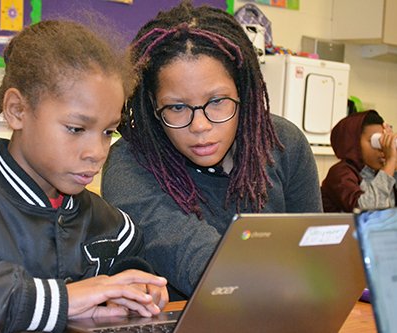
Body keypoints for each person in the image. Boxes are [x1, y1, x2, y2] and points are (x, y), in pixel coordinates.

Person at [0, 20, 169, 332]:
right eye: (76, 128)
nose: (97, 151)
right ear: (17, 110)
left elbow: (128, 268)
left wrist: (136, 290)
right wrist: (56, 300)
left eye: (108, 131)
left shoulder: (112, 226)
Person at [101, 2, 322, 299]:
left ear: (242, 90)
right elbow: (195, 257)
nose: (200, 125)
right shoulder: (131, 162)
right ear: (153, 104)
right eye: (177, 107)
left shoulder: (284, 144)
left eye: (217, 101)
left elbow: (315, 256)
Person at [321, 110, 397, 212]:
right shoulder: (340, 173)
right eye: (375, 141)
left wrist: (395, 167)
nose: (382, 148)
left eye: (383, 141)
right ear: (353, 143)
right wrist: (390, 162)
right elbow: (366, 213)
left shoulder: (381, 172)